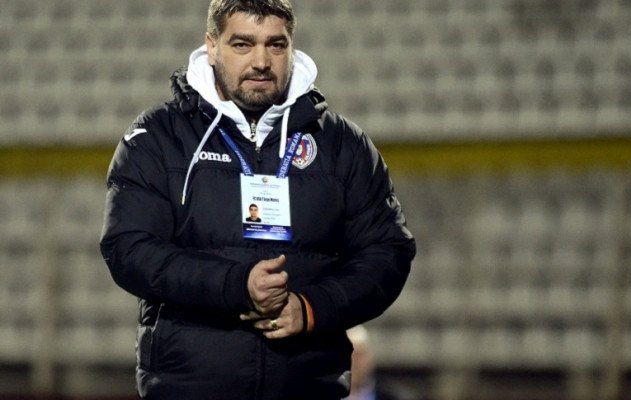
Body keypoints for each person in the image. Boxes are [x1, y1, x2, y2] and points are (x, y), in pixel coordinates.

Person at [100, 1, 415, 399]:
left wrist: (311, 308)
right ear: (212, 46)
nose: (262, 61)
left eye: (276, 45)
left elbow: (388, 252)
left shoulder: (343, 144)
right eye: (243, 44)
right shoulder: (157, 137)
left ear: (291, 47)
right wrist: (235, 285)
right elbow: (129, 249)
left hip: (307, 388)